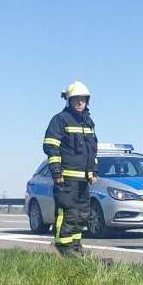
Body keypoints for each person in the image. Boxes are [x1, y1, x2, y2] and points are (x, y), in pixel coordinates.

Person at [42, 80, 98, 257]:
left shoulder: (88, 123)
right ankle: (62, 247)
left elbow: (92, 150)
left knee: (82, 214)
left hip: (83, 180)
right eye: (76, 99)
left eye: (83, 99)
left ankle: (75, 245)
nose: (80, 102)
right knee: (68, 212)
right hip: (66, 178)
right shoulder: (60, 120)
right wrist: (57, 171)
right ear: (69, 101)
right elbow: (51, 146)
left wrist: (93, 171)